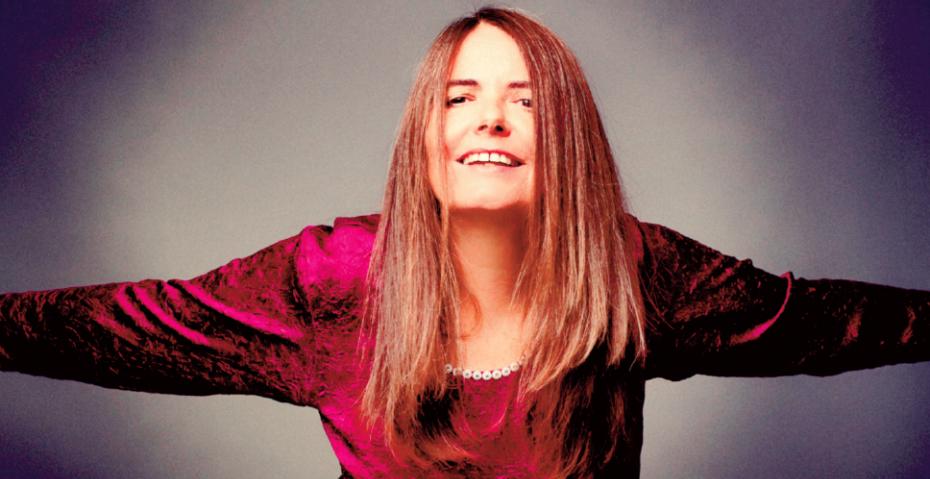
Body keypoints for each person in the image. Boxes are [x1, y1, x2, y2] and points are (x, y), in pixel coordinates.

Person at [1, 6, 928, 478]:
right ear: (426, 141)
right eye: (461, 97)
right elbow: (127, 325)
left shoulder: (631, 271)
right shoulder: (334, 278)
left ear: (568, 142)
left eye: (527, 100)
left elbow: (820, 321)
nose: (492, 118)